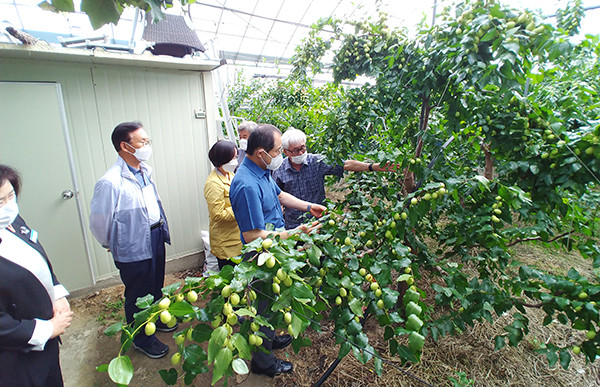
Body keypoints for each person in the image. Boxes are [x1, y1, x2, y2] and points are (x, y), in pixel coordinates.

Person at [229, 124, 326, 377]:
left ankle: (268, 339)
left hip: (274, 249)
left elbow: (280, 195)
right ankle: (263, 363)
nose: (281, 156)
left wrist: (309, 206)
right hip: (260, 255)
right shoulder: (247, 184)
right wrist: (295, 233)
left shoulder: (261, 172)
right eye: (277, 151)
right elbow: (252, 235)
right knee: (263, 306)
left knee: (270, 303)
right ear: (261, 152)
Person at [89, 121, 172, 360]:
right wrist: (112, 243)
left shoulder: (146, 170)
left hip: (154, 235)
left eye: (148, 141)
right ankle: (142, 338)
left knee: (155, 285)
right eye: (142, 142)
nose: (147, 145)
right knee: (138, 293)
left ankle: (155, 320)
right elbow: (99, 221)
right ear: (125, 146)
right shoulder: (110, 182)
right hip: (133, 245)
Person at [0, 164, 74, 387]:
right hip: (17, 358)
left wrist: (57, 293)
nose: (8, 206)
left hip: (46, 343)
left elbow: (37, 259)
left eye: (11, 195)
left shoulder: (12, 221)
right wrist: (47, 329)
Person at [273, 127, 395, 229]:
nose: (301, 153)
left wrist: (372, 167)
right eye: (296, 150)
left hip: (319, 222)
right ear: (286, 152)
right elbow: (276, 197)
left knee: (323, 255)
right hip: (294, 226)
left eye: (303, 148)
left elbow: (345, 165)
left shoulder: (317, 162)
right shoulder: (279, 170)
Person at [204, 140, 243, 269]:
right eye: (232, 158)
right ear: (223, 159)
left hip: (237, 236)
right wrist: (241, 209)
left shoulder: (230, 175)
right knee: (230, 276)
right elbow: (217, 214)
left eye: (236, 157)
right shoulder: (213, 183)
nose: (235, 161)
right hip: (225, 242)